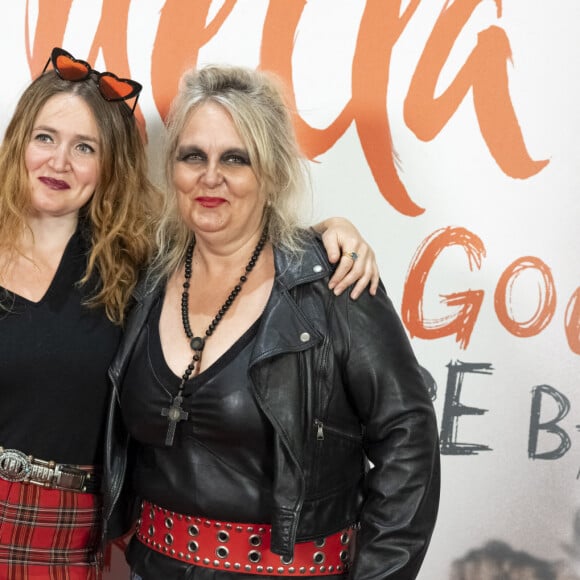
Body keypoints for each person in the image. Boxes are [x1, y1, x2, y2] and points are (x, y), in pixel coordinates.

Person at [0, 47, 379, 579]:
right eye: (45, 137)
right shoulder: (157, 276)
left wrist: (329, 233)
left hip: (61, 535)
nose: (59, 162)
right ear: (19, 142)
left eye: (83, 147)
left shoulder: (136, 270)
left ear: (109, 165)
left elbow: (241, 237)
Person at [103, 64, 440, 580]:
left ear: (273, 171)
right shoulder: (144, 279)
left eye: (235, 158)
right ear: (172, 167)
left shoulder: (331, 281)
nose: (210, 176)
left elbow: (409, 439)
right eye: (194, 156)